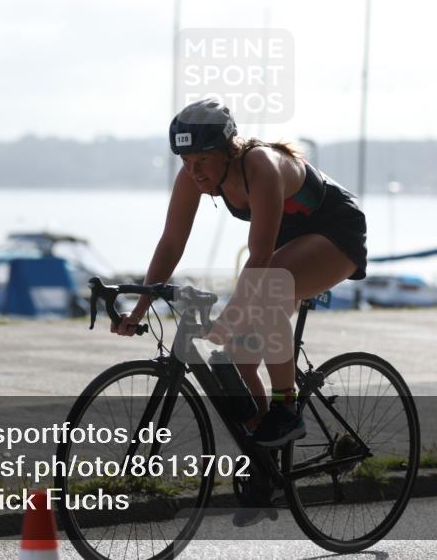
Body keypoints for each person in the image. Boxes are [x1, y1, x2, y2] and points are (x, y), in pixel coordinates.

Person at [111, 99, 368, 447]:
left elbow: (260, 256)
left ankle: (286, 408)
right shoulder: (192, 178)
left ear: (228, 149)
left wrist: (229, 317)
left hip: (336, 232)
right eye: (186, 161)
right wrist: (139, 308)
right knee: (235, 359)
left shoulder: (260, 165)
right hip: (292, 246)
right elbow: (171, 243)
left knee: (268, 284)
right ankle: (263, 459)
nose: (195, 171)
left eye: (203, 159)